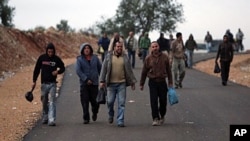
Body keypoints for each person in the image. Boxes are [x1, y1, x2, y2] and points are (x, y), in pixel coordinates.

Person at [99, 41, 137, 127]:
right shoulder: (108, 57)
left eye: (121, 47)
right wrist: (102, 81)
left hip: (121, 84)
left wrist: (132, 82)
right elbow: (103, 69)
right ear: (114, 47)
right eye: (118, 47)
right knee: (110, 101)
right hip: (110, 84)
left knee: (122, 103)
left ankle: (120, 120)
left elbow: (129, 70)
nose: (119, 48)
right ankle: (111, 114)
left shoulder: (125, 57)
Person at [140, 41, 173, 126]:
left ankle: (162, 115)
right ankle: (155, 118)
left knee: (163, 101)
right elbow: (144, 72)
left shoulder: (165, 57)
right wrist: (142, 83)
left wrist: (170, 81)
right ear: (151, 48)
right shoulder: (148, 58)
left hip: (162, 82)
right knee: (153, 101)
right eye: (153, 47)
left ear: (159, 47)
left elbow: (169, 70)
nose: (155, 48)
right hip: (153, 82)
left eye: (156, 46)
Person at [32, 43, 65, 126]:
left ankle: (52, 119)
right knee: (44, 101)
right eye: (49, 52)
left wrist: (57, 71)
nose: (50, 53)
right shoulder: (42, 58)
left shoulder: (56, 59)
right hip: (44, 84)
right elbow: (36, 69)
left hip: (52, 84)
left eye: (52, 52)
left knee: (52, 101)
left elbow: (63, 68)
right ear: (46, 51)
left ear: (54, 51)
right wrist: (34, 80)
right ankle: (45, 116)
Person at [76, 43, 102, 124]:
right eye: (85, 48)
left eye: (88, 48)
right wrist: (86, 79)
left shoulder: (95, 58)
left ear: (90, 49)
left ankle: (95, 112)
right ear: (82, 50)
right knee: (85, 101)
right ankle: (86, 118)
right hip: (84, 84)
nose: (86, 50)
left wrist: (102, 80)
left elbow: (100, 69)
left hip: (94, 83)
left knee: (96, 102)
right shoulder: (79, 59)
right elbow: (78, 71)